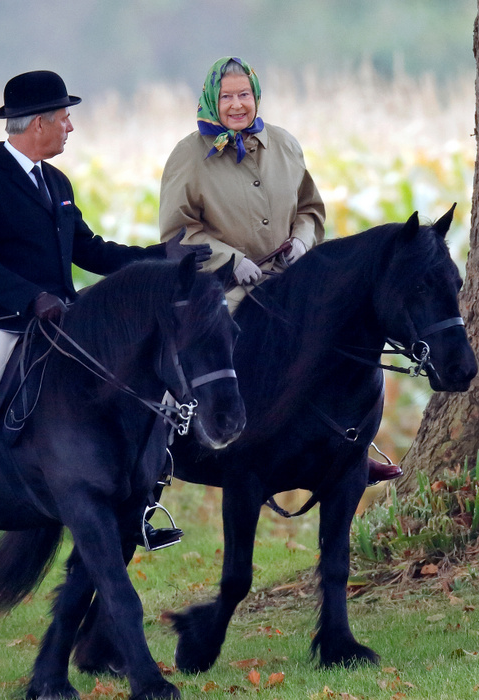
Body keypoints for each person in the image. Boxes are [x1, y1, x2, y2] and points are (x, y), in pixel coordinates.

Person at [0, 70, 210, 542]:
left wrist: (160, 258)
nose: (70, 126)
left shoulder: (56, 182)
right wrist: (31, 297)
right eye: (65, 118)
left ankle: (141, 498)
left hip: (59, 320)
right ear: (38, 125)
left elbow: (91, 250)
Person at [159, 56, 402, 485]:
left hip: (291, 281)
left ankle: (352, 448)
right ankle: (164, 443)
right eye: (227, 96)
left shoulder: (285, 144)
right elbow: (178, 230)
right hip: (220, 285)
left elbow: (309, 209)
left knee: (343, 336)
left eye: (244, 95)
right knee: (210, 348)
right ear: (212, 99)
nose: (237, 105)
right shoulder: (188, 155)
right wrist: (232, 261)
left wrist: (305, 242)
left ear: (256, 97)